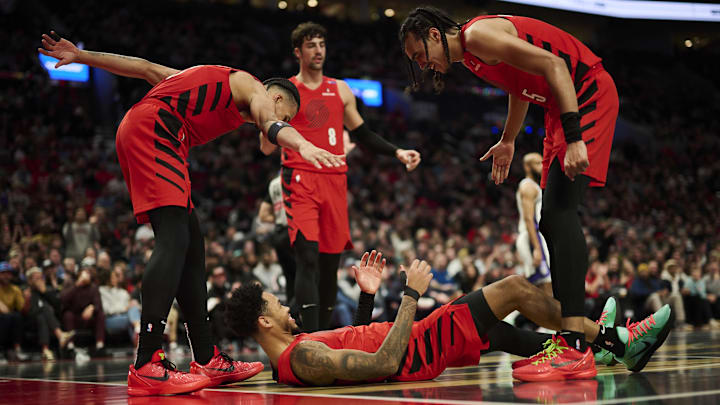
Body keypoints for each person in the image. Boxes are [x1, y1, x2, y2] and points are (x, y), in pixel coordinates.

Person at [39, 31, 345, 396]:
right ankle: (147, 362)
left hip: (159, 135)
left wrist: (83, 56)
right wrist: (302, 144)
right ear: (277, 97)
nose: (283, 118)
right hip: (156, 132)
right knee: (174, 241)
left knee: (192, 248)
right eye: (288, 113)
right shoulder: (256, 90)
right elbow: (272, 123)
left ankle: (207, 356)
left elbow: (143, 67)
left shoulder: (205, 82)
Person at [399, 7, 619, 380]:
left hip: (583, 94)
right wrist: (509, 139)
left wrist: (576, 136)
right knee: (552, 220)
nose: (422, 65)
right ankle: (573, 340)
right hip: (557, 107)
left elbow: (555, 66)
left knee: (560, 213)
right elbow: (521, 86)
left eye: (419, 55)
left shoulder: (477, 36)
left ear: (434, 35)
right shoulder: (471, 58)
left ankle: (574, 346)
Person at [227, 250, 672, 385]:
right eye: (275, 304)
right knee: (515, 287)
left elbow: (355, 339)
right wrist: (409, 297)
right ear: (263, 322)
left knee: (494, 329)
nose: (284, 305)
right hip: (416, 350)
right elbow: (381, 365)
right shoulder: (300, 357)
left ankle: (592, 347)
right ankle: (615, 340)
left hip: (416, 342)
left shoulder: (297, 349)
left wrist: (368, 296)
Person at [258, 22, 422, 332]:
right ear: (297, 52)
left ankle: (324, 336)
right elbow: (266, 146)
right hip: (300, 179)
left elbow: (362, 133)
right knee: (307, 259)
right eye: (310, 45)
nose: (318, 50)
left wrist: (397, 152)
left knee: (329, 266)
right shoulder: (286, 91)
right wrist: (267, 121)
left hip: (335, 180)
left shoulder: (341, 90)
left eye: (321, 44)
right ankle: (308, 337)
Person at [257, 174, 297, 306]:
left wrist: (279, 218)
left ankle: (294, 317)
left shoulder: (274, 183)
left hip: (280, 234)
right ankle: (307, 319)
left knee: (290, 277)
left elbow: (263, 215)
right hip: (296, 232)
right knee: (305, 276)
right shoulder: (299, 177)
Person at [515, 153, 552, 296]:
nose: (542, 167)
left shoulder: (534, 186)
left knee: (541, 287)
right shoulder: (528, 187)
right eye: (537, 163)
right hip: (533, 237)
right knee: (545, 287)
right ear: (527, 167)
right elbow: (529, 219)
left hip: (536, 237)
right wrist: (536, 248)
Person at [24, 267, 74, 361]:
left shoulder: (47, 289)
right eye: (36, 278)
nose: (39, 280)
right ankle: (60, 335)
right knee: (43, 310)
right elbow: (30, 311)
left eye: (40, 278)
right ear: (30, 281)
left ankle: (45, 350)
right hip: (30, 322)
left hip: (46, 321)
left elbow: (58, 306)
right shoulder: (27, 291)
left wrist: (45, 292)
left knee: (42, 317)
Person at [0, 262, 28, 362]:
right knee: (6, 317)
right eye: (3, 273)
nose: (6, 276)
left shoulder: (15, 289)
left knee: (17, 316)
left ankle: (17, 349)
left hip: (9, 317)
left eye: (8, 273)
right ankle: (1, 351)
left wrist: (27, 298)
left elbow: (21, 308)